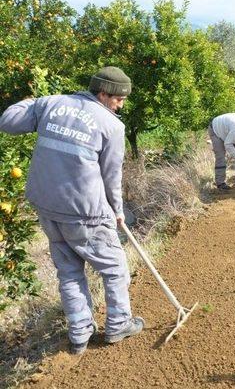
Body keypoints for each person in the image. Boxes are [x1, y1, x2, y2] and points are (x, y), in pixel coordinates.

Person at [0, 66, 144, 355]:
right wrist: (117, 210)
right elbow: (111, 175)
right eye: (118, 99)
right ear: (103, 94)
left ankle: (79, 333)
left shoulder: (51, 103)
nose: (121, 105)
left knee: (68, 271)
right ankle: (118, 324)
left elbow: (7, 121)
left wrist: (33, 101)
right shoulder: (112, 126)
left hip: (48, 207)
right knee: (115, 268)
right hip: (85, 212)